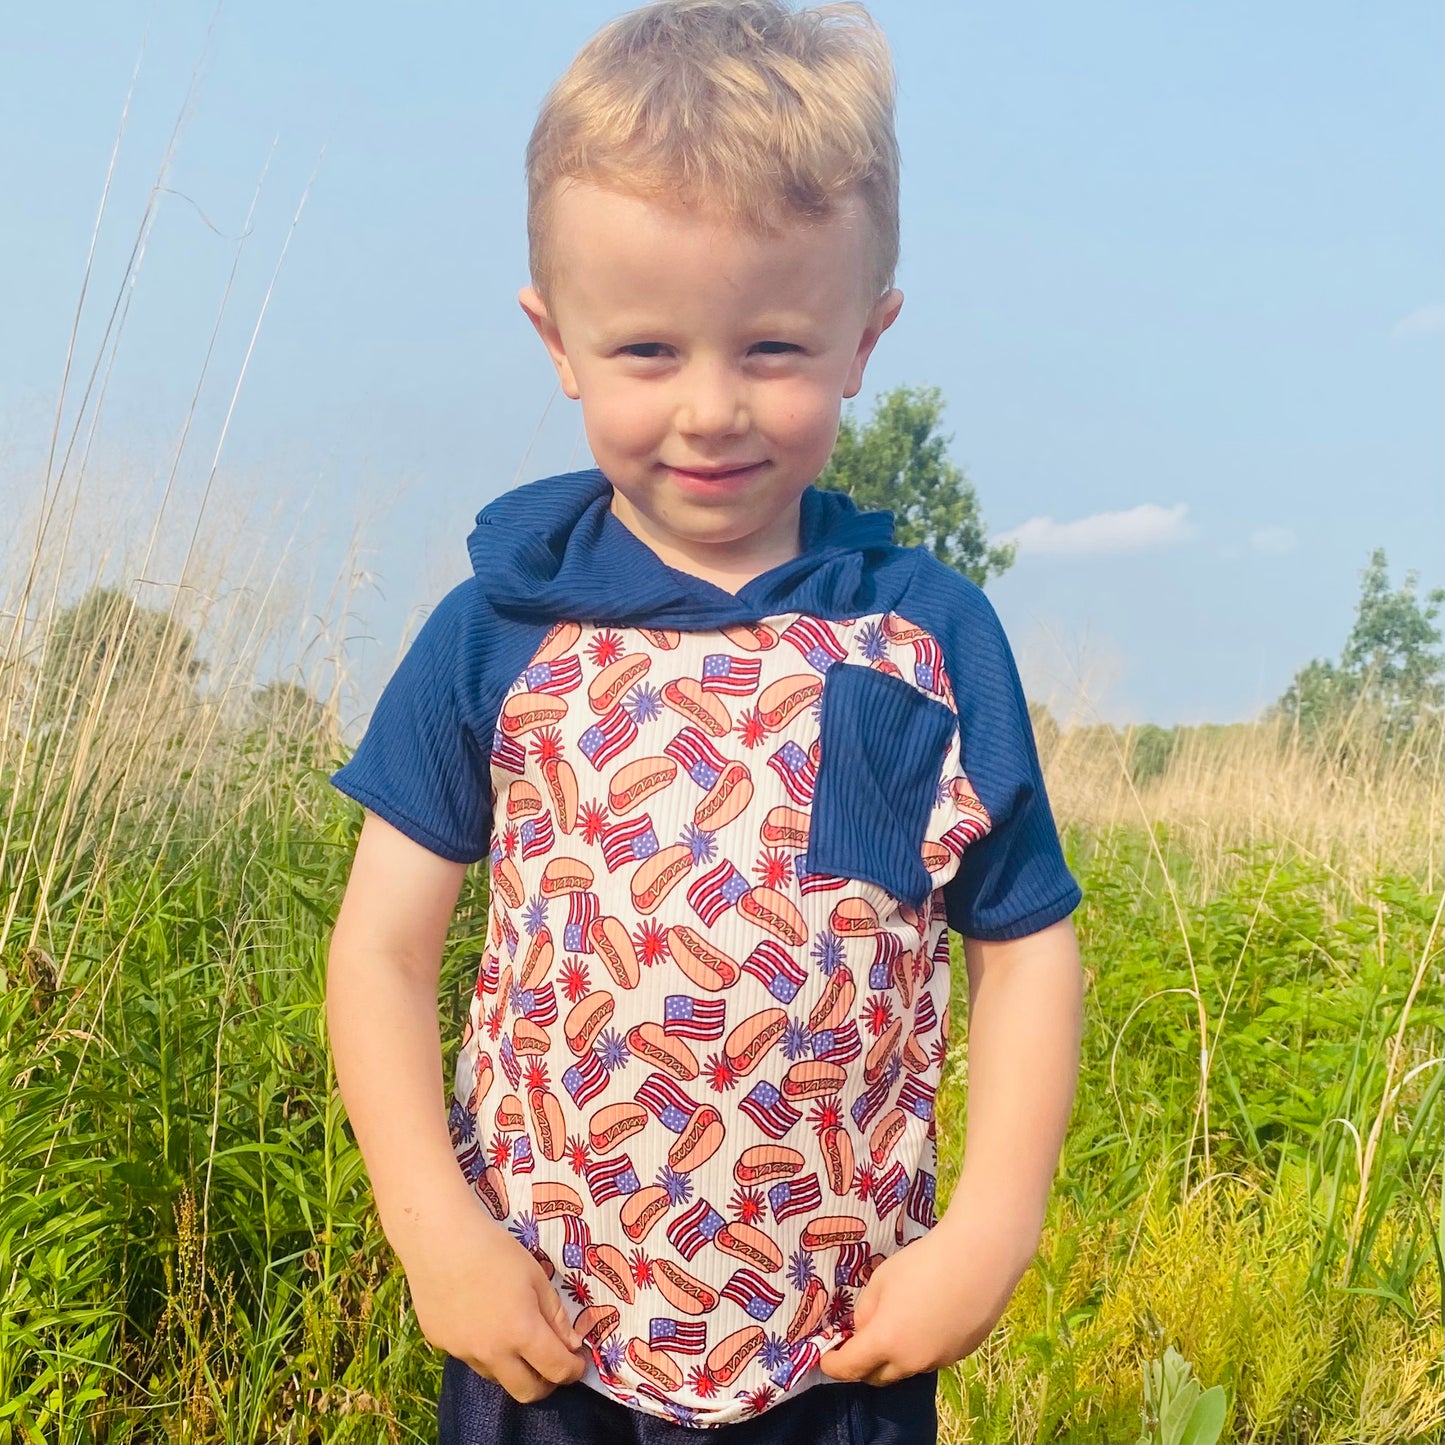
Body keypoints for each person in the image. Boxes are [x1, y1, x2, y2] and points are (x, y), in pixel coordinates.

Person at [326, 2, 1084, 1440]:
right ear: (557, 341)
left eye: (778, 347)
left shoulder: (925, 636)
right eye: (649, 351)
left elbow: (1027, 950)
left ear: (868, 337)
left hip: (835, 1343)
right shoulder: (498, 632)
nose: (713, 407)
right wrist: (438, 1237)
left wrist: (987, 1235)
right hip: (546, 1339)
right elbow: (379, 946)